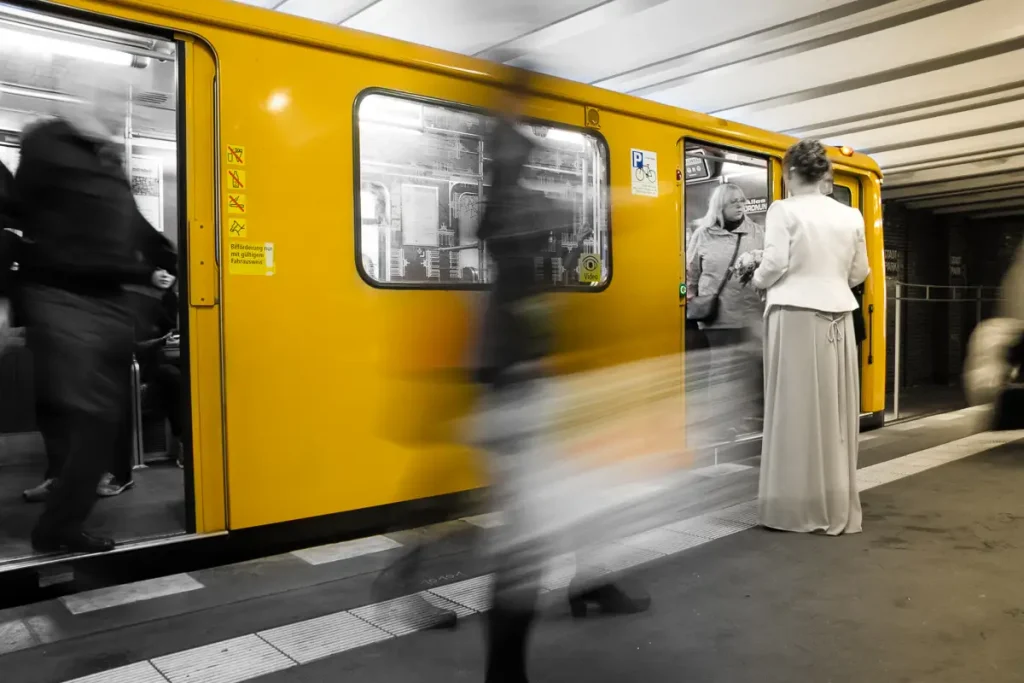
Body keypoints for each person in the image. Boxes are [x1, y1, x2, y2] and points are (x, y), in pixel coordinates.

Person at [11, 66, 175, 554]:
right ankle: (57, 528)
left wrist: (164, 261)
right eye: (102, 96)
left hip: (107, 300)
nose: (112, 107)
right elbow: (35, 220)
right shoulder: (48, 145)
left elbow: (130, 223)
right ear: (77, 98)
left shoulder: (106, 158)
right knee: (88, 416)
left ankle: (61, 518)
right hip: (63, 297)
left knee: (99, 420)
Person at [752, 139, 869, 535]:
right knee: (833, 412)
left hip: (794, 314)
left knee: (794, 409)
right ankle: (833, 501)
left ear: (789, 174)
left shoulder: (782, 209)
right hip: (838, 316)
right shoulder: (851, 214)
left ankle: (793, 507)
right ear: (824, 175)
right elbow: (859, 273)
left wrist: (756, 279)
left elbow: (775, 263)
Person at [686, 182, 765, 437]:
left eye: (742, 201)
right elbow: (691, 273)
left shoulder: (758, 233)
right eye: (734, 202)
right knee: (721, 371)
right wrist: (691, 298)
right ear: (720, 206)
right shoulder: (703, 234)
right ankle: (719, 423)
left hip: (751, 312)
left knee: (752, 368)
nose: (741, 206)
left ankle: (751, 418)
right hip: (717, 316)